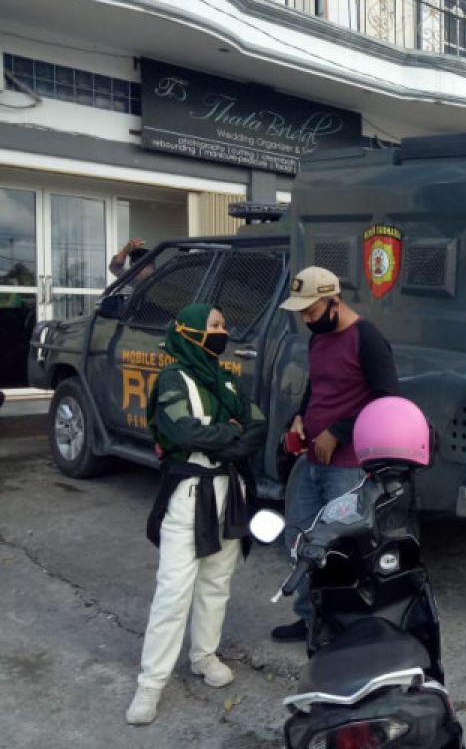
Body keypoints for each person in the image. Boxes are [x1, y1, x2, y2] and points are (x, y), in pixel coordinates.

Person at [125, 303, 266, 726]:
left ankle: (204, 655)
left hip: (229, 490)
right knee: (174, 590)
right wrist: (231, 434)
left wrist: (226, 440)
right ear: (188, 332)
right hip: (188, 493)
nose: (224, 331)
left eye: (224, 324)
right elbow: (180, 430)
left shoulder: (225, 378)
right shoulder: (173, 378)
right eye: (215, 326)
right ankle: (150, 684)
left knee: (216, 582)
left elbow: (257, 424)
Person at [270, 266, 402, 642]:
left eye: (311, 311)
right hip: (311, 459)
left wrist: (338, 432)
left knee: (341, 547)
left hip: (349, 467)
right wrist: (298, 419)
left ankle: (344, 627)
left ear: (334, 301)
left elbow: (387, 399)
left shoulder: (367, 338)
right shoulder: (319, 339)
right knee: (299, 537)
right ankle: (311, 619)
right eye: (302, 313)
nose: (306, 319)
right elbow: (316, 389)